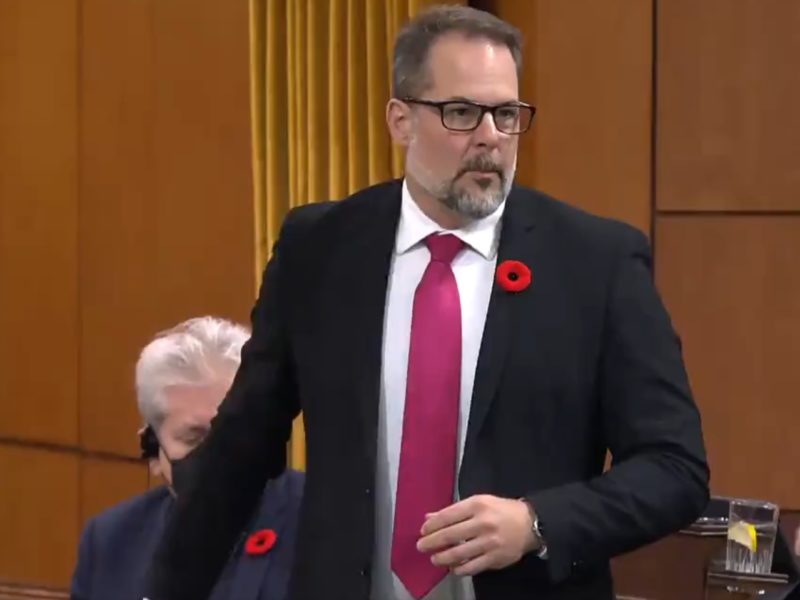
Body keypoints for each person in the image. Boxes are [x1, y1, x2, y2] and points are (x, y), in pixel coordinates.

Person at [144, 6, 709, 600]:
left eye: (507, 114)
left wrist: (537, 522)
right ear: (401, 120)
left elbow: (675, 469)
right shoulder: (322, 249)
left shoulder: (595, 265)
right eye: (461, 113)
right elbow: (240, 450)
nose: (490, 136)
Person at [71, 317, 304, 600]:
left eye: (232, 429)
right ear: (153, 449)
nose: (219, 451)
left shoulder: (317, 514)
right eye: (194, 438)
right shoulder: (112, 541)